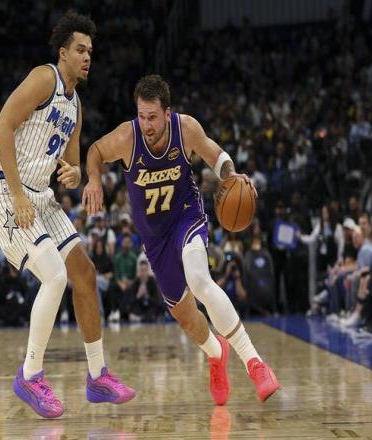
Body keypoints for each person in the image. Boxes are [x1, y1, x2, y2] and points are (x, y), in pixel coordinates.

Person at [83, 74, 280, 405]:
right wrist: (93, 179)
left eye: (153, 117)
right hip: (154, 239)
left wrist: (231, 175)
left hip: (186, 218)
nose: (146, 124)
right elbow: (94, 151)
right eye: (142, 116)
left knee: (200, 280)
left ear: (167, 113)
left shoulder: (185, 128)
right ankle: (216, 354)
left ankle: (256, 364)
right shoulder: (127, 137)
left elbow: (217, 156)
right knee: (187, 317)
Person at [0, 11, 134, 419]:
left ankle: (98, 377)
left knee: (84, 273)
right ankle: (30, 374)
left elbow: (70, 166)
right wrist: (18, 194)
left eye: (91, 52)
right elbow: (1, 127)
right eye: (80, 50)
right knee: (54, 275)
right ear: (63, 52)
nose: (87, 57)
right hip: (7, 192)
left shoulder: (76, 106)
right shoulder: (43, 78)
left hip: (41, 197)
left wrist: (73, 174)